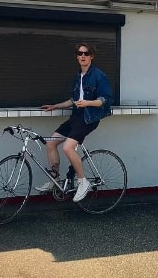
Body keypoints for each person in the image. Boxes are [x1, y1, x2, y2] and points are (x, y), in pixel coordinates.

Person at [36, 43, 113, 202]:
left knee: (67, 147)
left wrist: (87, 103)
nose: (83, 56)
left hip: (89, 118)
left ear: (91, 56)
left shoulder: (99, 75)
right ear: (77, 56)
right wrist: (55, 106)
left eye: (86, 53)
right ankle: (54, 180)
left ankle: (82, 182)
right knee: (50, 143)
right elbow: (73, 100)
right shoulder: (78, 76)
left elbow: (105, 100)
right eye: (80, 53)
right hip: (76, 117)